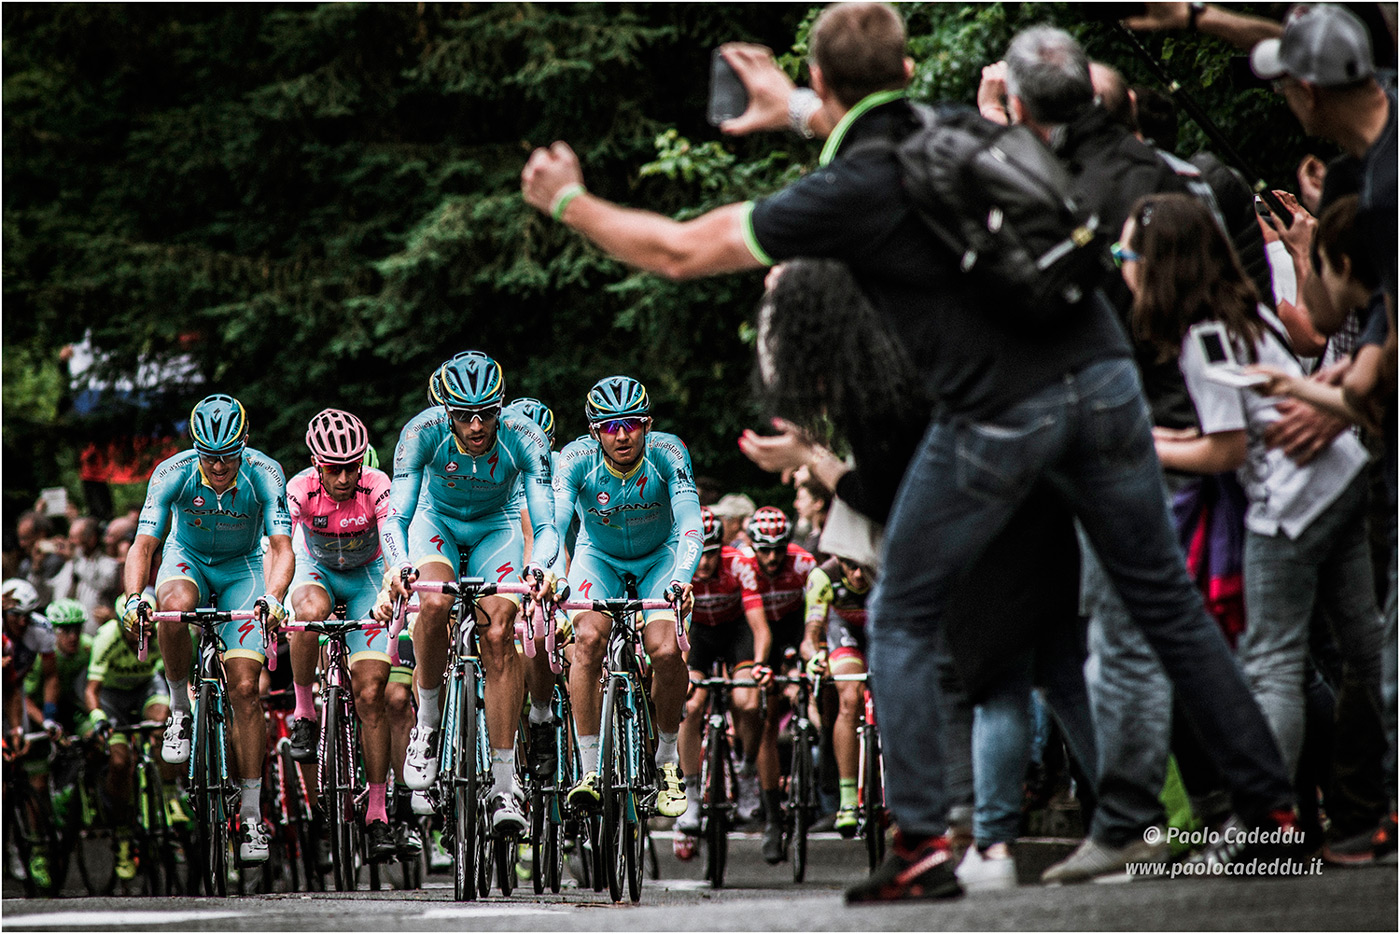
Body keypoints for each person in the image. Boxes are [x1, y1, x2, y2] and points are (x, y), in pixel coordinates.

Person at [522, 1, 1295, 902]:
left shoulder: (848, 192)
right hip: (1106, 376)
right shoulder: (962, 127)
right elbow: (874, 118)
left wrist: (570, 201)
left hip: (1002, 413)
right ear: (908, 68)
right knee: (1163, 599)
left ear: (820, 79)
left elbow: (682, 250)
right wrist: (798, 109)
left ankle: (925, 841)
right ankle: (1269, 812)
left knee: (902, 617)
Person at [379, 351, 558, 835]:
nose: (477, 426)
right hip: (434, 525)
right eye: (463, 415)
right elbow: (395, 515)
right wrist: (398, 566)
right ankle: (430, 724)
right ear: (446, 412)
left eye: (487, 414)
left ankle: (504, 781)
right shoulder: (421, 434)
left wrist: (539, 566)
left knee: (500, 631)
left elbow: (544, 523)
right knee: (433, 602)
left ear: (502, 408)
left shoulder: (526, 437)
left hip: (495, 530)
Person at [119, 393, 293, 862]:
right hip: (188, 559)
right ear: (196, 449)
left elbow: (281, 547)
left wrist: (274, 598)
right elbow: (144, 544)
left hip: (244, 568)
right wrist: (135, 596)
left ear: (245, 443)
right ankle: (180, 709)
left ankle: (253, 817)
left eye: (228, 455)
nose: (219, 466)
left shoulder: (264, 471)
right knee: (169, 606)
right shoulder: (172, 473)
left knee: (244, 689)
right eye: (209, 456)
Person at [552, 375, 700, 821]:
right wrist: (556, 577)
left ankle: (668, 758)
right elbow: (555, 526)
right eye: (610, 426)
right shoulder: (576, 459)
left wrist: (682, 578)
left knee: (665, 650)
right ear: (594, 430)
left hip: (661, 558)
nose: (621, 435)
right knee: (588, 642)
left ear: (647, 425)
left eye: (631, 424)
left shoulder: (667, 452)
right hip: (598, 558)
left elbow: (691, 519)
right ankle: (590, 769)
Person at [284, 408, 399, 861]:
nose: (346, 476)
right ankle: (305, 712)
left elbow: (393, 540)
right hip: (317, 571)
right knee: (308, 612)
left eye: (353, 465)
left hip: (366, 577)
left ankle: (376, 812)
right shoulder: (298, 489)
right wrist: (276, 599)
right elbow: (284, 543)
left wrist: (394, 585)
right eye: (335, 468)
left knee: (371, 695)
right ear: (317, 464)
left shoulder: (376, 484)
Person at [732, 506, 817, 863]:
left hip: (795, 629)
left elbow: (818, 611)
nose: (771, 557)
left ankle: (822, 759)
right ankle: (771, 818)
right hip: (758, 633)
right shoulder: (744, 565)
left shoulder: (803, 564)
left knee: (816, 687)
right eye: (763, 549)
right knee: (765, 720)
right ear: (752, 544)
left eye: (778, 549)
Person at [673, 505, 753, 860]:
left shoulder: (739, 563)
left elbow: (759, 622)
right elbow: (673, 632)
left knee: (746, 698)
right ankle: (690, 796)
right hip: (699, 637)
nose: (703, 564)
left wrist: (761, 664)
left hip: (737, 633)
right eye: (699, 554)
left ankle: (747, 772)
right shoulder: (676, 565)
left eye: (711, 554)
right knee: (689, 707)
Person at [85, 603, 176, 880]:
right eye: (137, 626)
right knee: (120, 762)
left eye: (148, 625)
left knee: (163, 725)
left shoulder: (161, 633)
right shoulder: (106, 638)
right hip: (113, 699)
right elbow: (92, 690)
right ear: (124, 624)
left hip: (145, 689)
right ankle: (123, 833)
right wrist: (98, 717)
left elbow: (178, 672)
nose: (144, 631)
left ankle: (170, 794)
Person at [801, 554, 871, 839]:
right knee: (850, 696)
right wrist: (815, 657)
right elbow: (811, 636)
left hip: (880, 630)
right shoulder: (823, 576)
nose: (857, 575)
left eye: (863, 567)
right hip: (845, 635)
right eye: (850, 567)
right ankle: (847, 800)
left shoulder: (887, 564)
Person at [49, 517, 120, 632]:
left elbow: (102, 584)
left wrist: (76, 558)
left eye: (74, 538)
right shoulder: (71, 563)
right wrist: (38, 566)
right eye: (69, 537)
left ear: (92, 539)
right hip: (70, 633)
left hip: (96, 631)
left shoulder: (110, 565)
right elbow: (54, 593)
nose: (70, 542)